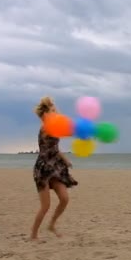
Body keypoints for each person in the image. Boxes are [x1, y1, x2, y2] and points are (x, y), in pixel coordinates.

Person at [31, 96, 78, 240]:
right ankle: (33, 235)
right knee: (45, 206)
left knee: (64, 198)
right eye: (52, 111)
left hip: (55, 167)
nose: (55, 113)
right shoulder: (46, 128)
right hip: (43, 169)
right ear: (45, 114)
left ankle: (51, 225)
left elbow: (55, 148)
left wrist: (66, 160)